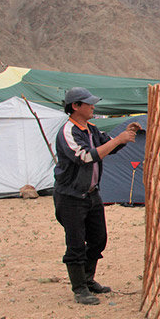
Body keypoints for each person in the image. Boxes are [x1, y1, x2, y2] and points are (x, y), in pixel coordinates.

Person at [54, 87, 140, 305]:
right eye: (89, 103)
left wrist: (124, 137)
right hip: (71, 195)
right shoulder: (68, 132)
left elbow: (107, 147)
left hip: (92, 193)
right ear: (75, 106)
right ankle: (79, 288)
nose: (93, 106)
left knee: (98, 238)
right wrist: (117, 139)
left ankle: (88, 279)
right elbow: (84, 157)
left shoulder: (91, 130)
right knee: (75, 242)